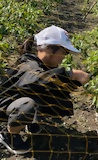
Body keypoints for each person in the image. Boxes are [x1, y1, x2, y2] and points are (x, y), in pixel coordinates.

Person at [0, 25, 90, 155]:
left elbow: (51, 85)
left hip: (12, 103)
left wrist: (75, 81)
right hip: (3, 106)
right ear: (50, 50)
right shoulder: (28, 64)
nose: (64, 57)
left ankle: (29, 122)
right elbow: (35, 80)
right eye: (64, 52)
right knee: (27, 104)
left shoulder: (43, 65)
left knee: (51, 93)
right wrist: (70, 74)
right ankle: (9, 135)